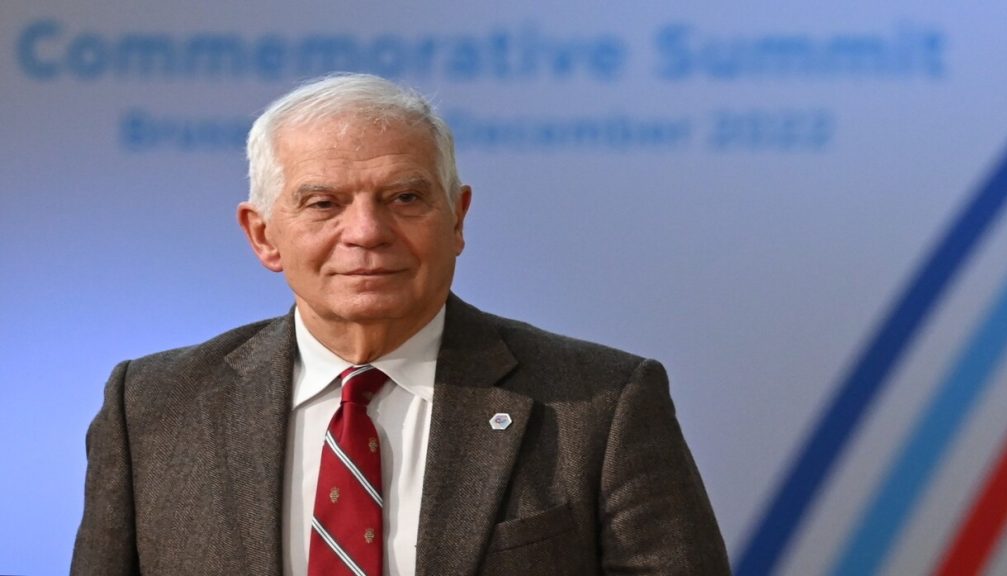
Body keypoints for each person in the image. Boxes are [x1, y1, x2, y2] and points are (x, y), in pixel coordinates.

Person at [71, 73, 730, 575]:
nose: (366, 231)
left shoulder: (600, 403)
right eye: (323, 203)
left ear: (457, 219)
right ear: (264, 235)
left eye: (405, 198)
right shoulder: (152, 408)